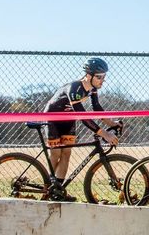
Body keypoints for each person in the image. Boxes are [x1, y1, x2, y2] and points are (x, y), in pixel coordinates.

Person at [42, 57, 121, 201]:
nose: (102, 80)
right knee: (56, 154)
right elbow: (83, 116)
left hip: (68, 120)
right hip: (53, 119)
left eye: (104, 77)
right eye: (99, 77)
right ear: (88, 75)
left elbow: (96, 108)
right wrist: (104, 133)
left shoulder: (93, 89)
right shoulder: (75, 88)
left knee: (66, 154)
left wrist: (112, 124)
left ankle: (58, 191)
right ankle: (46, 190)